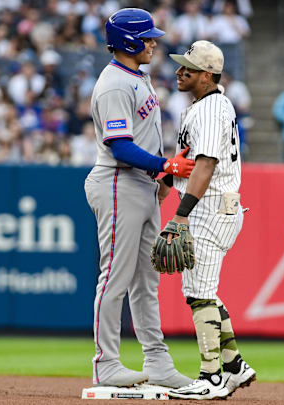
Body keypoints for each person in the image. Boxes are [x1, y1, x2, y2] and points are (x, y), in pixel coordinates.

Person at [84, 8, 194, 389]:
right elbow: (119, 147)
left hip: (141, 184)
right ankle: (106, 363)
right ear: (129, 41)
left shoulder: (137, 77)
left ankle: (157, 361)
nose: (153, 42)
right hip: (118, 181)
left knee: (147, 280)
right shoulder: (115, 83)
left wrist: (161, 175)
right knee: (115, 275)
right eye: (147, 37)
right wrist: (166, 166)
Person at [162, 40, 256, 400]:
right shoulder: (205, 107)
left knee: (199, 294)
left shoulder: (211, 109)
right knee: (203, 292)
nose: (179, 71)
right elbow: (188, 162)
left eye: (187, 67)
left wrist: (180, 215)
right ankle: (233, 365)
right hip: (215, 206)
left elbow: (206, 164)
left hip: (211, 207)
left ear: (206, 75)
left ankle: (211, 376)